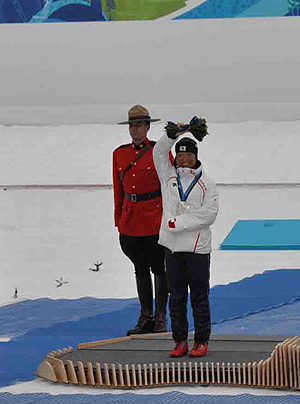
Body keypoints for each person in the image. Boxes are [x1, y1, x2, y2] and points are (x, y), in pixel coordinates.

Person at [153, 119, 219, 358]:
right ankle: (180, 340)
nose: (183, 159)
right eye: (179, 155)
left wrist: (178, 223)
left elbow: (208, 214)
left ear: (195, 156)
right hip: (172, 248)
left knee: (200, 297)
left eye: (187, 155)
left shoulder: (206, 184)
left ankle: (201, 341)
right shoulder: (168, 177)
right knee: (176, 297)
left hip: (197, 249)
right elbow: (159, 152)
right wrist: (174, 134)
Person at [113, 105, 169, 336]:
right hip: (130, 219)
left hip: (155, 218)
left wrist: (170, 219)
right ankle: (145, 315)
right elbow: (118, 188)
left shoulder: (159, 151)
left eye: (139, 125)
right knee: (140, 268)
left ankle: (160, 316)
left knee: (159, 268)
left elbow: (169, 186)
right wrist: (119, 218)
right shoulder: (119, 154)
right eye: (132, 125)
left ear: (147, 127)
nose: (135, 129)